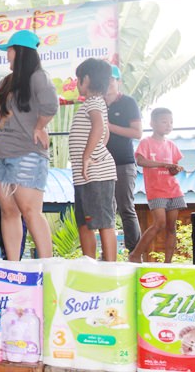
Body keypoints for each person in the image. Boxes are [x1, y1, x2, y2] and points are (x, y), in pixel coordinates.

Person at [0, 29, 58, 261]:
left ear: (20, 52)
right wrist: (1, 123)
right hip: (0, 155)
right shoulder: (6, 81)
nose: (7, 55)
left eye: (9, 50)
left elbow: (50, 105)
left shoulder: (38, 76)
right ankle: (13, 266)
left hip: (27, 153)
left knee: (30, 211)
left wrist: (39, 127)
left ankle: (47, 266)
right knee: (8, 211)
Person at [69, 58, 117, 261]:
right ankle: (89, 262)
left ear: (86, 79)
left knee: (104, 221)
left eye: (78, 78)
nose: (77, 82)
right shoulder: (93, 103)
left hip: (97, 174)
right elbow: (104, 134)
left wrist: (88, 156)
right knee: (85, 222)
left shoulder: (95, 103)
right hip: (86, 177)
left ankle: (110, 264)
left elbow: (98, 127)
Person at [129, 108, 185, 263]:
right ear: (152, 123)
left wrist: (174, 169)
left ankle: (168, 262)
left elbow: (172, 170)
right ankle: (135, 255)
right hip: (156, 190)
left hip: (173, 190)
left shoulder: (172, 145)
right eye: (164, 121)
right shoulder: (146, 142)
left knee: (171, 227)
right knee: (159, 223)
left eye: (171, 122)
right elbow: (140, 161)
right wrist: (164, 164)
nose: (168, 125)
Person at [104, 65, 143, 253]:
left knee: (126, 208)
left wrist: (109, 127)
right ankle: (108, 253)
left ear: (118, 81)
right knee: (106, 210)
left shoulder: (128, 102)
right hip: (101, 164)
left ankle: (135, 253)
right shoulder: (96, 103)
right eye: (105, 79)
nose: (109, 83)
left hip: (123, 162)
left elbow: (137, 133)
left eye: (112, 79)